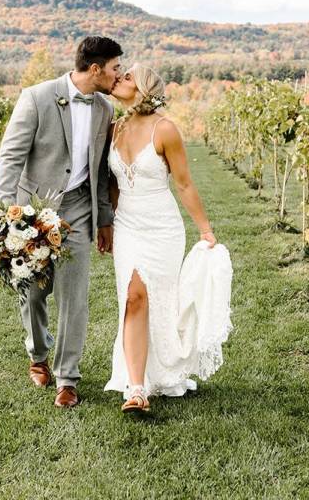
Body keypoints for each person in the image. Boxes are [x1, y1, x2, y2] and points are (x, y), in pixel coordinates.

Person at [0, 36, 122, 408]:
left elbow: (100, 170)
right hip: (36, 207)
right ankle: (38, 354)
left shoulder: (105, 109)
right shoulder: (37, 97)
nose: (119, 74)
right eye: (115, 68)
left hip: (80, 209)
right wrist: (10, 216)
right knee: (34, 291)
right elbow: (11, 157)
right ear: (95, 69)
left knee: (75, 295)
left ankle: (68, 377)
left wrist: (104, 218)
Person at [104, 63, 232, 412]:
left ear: (143, 88)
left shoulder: (165, 130)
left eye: (127, 76)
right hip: (127, 225)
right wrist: (109, 225)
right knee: (132, 297)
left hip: (162, 227)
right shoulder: (114, 129)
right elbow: (113, 185)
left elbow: (184, 183)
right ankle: (136, 388)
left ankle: (162, 371)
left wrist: (205, 229)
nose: (119, 79)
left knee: (156, 299)